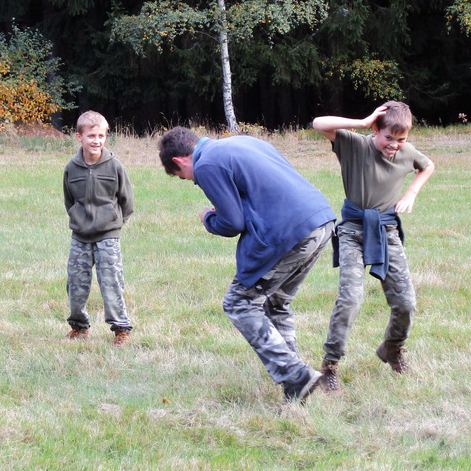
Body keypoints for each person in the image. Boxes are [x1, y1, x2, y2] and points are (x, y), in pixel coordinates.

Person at [157, 127, 335, 402]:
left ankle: (295, 376)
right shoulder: (244, 142)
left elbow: (232, 223)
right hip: (320, 221)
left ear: (179, 161)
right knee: (276, 301)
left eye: (183, 176)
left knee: (239, 303)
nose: (191, 180)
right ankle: (298, 382)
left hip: (289, 233)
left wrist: (208, 218)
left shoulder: (206, 164)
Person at [311, 101, 435, 393]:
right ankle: (329, 366)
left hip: (386, 231)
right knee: (350, 299)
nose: (394, 145)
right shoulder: (355, 145)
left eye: (401, 139)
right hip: (353, 232)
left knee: (406, 303)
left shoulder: (407, 152)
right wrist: (362, 121)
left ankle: (392, 348)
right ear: (376, 129)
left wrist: (411, 193)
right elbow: (318, 123)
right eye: (389, 137)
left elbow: (428, 166)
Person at [64, 111, 135, 346]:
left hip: (108, 238)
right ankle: (79, 326)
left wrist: (113, 224)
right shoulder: (71, 168)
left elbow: (127, 202)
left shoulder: (115, 166)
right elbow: (69, 201)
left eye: (101, 136)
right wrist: (79, 220)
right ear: (79, 137)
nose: (96, 141)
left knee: (111, 283)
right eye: (91, 136)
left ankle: (121, 329)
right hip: (80, 237)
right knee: (76, 284)